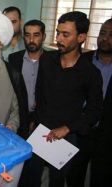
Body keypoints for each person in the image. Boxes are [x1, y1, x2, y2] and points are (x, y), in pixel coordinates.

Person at [21, 11, 103, 187]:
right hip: (40, 131)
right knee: (30, 176)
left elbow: (94, 111)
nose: (58, 38)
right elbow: (39, 93)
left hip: (66, 136)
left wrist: (68, 128)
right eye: (58, 32)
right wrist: (34, 120)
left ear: (81, 37)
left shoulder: (90, 73)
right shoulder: (47, 60)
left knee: (57, 181)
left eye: (65, 34)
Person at [71, 18, 112, 187]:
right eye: (102, 33)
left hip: (107, 134)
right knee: (74, 174)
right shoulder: (82, 60)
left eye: (111, 35)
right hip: (81, 130)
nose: (105, 38)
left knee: (101, 177)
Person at [8, 19, 46, 139]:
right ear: (23, 37)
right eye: (28, 35)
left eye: (36, 35)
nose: (31, 40)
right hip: (19, 117)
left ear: (44, 37)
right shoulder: (14, 59)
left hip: (42, 119)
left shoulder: (52, 61)